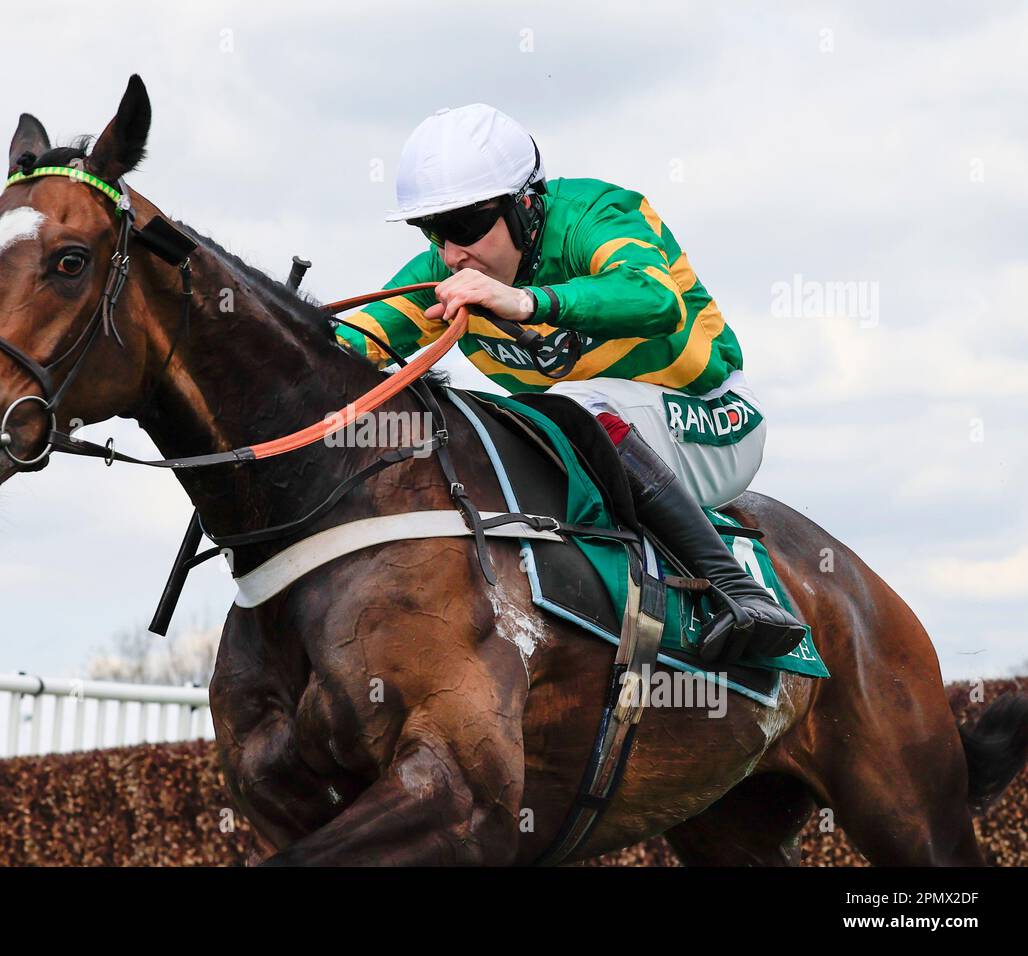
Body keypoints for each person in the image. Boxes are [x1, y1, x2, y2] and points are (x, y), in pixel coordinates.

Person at [335, 103, 805, 662]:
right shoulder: (446, 276)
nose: (451, 252)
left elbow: (656, 299)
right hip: (608, 433)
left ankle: (740, 592)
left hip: (713, 420)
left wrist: (530, 302)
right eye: (433, 231)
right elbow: (340, 347)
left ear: (525, 206)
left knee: (568, 405)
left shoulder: (597, 213)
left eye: (465, 226)